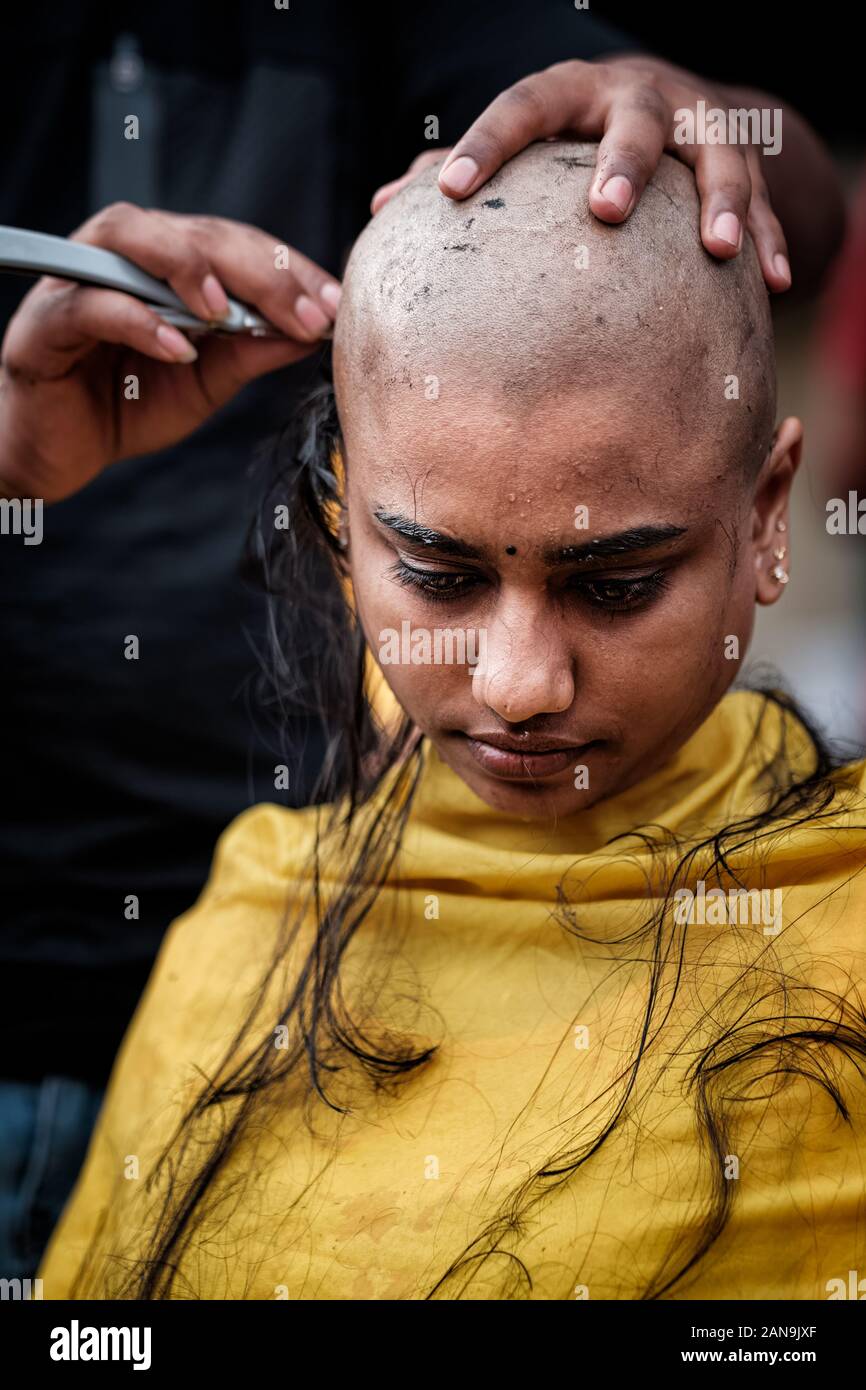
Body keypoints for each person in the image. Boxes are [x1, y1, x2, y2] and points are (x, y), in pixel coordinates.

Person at [1, 1, 845, 1282]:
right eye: (439, 576)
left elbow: (800, 197)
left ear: (766, 517)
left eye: (614, 584)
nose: (517, 690)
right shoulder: (242, 932)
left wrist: (696, 106)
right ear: (343, 522)